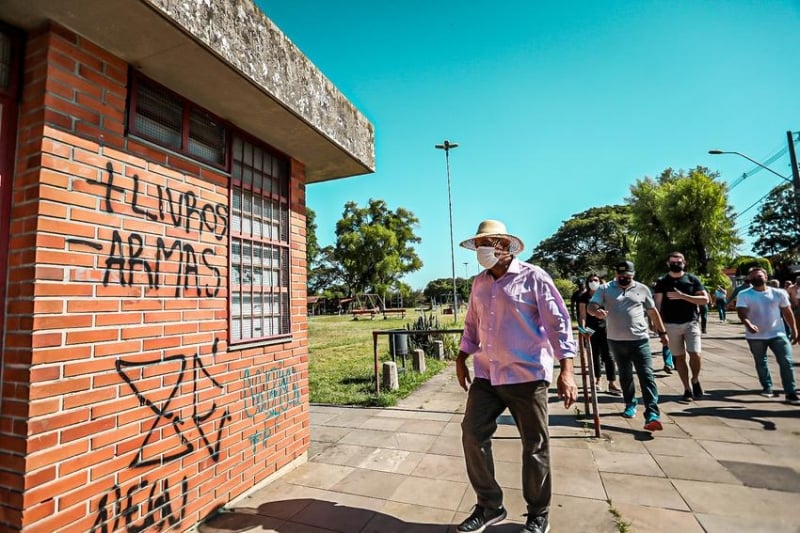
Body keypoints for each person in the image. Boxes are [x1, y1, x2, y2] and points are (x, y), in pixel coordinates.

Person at [455, 219, 578, 533]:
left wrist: (567, 370)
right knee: (472, 433)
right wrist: (461, 355)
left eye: (489, 243)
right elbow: (472, 322)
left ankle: (538, 513)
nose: (484, 249)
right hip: (487, 375)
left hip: (527, 376)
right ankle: (489, 506)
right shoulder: (479, 282)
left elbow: (558, 323)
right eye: (480, 244)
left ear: (506, 247)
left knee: (535, 446)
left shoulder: (533, 277)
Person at [588, 260, 668, 432]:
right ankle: (629, 404)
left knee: (646, 376)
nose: (623, 278)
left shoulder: (642, 289)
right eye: (620, 275)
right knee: (625, 376)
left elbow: (653, 313)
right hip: (616, 341)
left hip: (640, 340)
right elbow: (591, 306)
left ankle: (652, 414)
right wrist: (597, 311)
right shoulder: (605, 289)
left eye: (627, 276)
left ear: (633, 274)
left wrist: (662, 334)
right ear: (615, 274)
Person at [735, 267, 800, 405]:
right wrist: (748, 324)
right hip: (756, 336)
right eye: (753, 277)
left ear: (766, 277)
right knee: (761, 362)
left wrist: (794, 329)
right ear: (749, 279)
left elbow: (787, 312)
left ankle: (790, 392)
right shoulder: (744, 294)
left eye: (759, 276)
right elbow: (741, 312)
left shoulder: (778, 293)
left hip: (778, 333)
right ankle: (767, 387)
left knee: (786, 362)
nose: (756, 279)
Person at [653, 252, 709, 402]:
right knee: (679, 357)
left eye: (679, 262)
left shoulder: (692, 279)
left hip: (691, 322)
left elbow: (705, 299)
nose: (676, 264)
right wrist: (657, 325)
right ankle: (686, 388)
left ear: (684, 263)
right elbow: (657, 304)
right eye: (673, 262)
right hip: (671, 324)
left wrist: (684, 296)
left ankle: (695, 379)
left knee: (695, 354)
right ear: (668, 263)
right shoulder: (662, 281)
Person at [578, 273, 621, 395]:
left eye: (595, 280)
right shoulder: (583, 297)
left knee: (609, 356)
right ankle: (597, 381)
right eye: (591, 280)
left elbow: (613, 311)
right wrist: (583, 329)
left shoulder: (605, 295)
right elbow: (582, 315)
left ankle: (612, 382)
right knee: (594, 356)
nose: (593, 282)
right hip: (591, 330)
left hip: (606, 329)